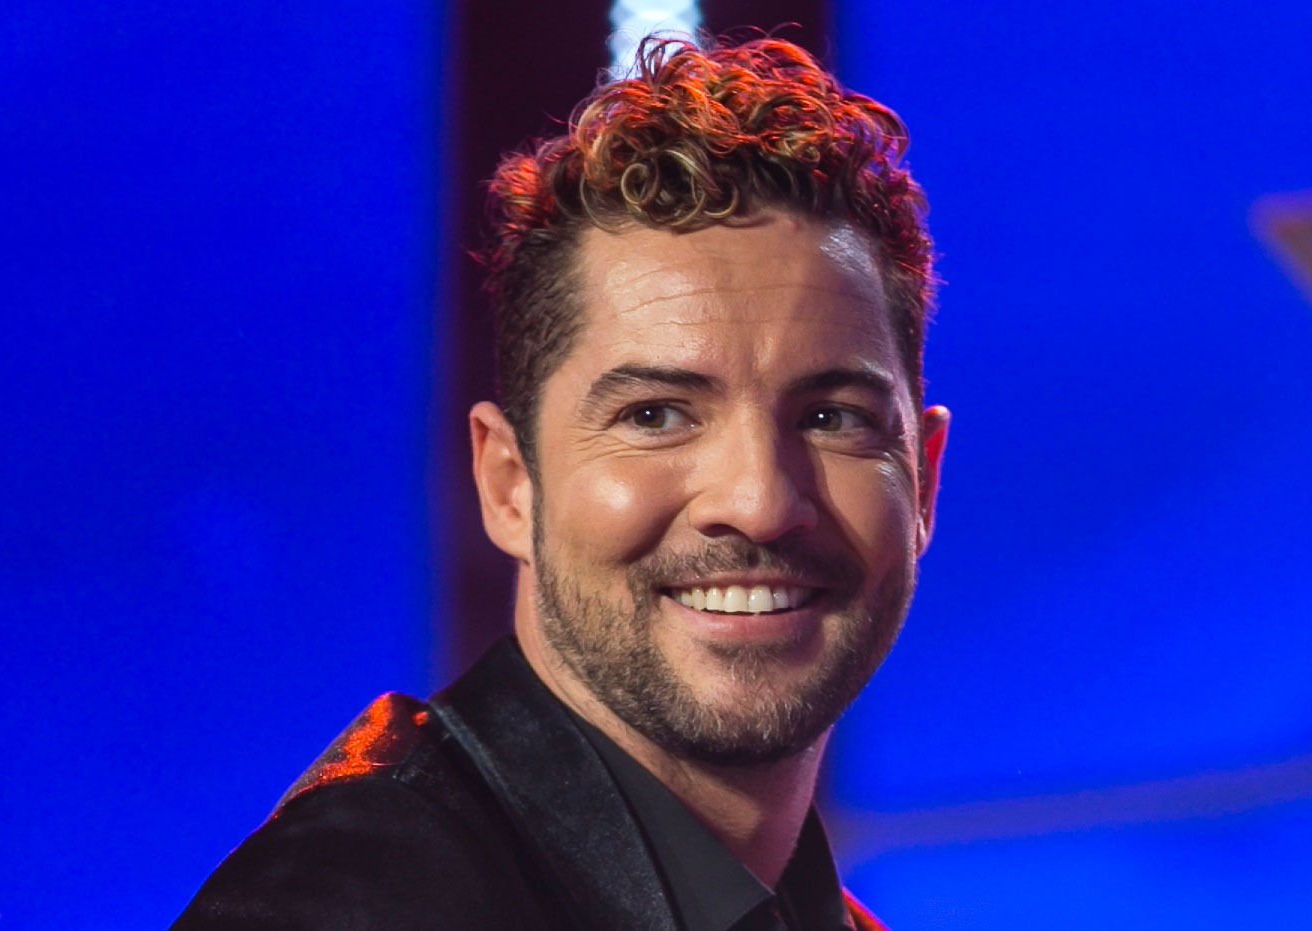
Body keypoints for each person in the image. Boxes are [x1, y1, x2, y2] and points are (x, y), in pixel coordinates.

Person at [173, 35, 948, 931]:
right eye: (655, 414)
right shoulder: (347, 906)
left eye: (831, 418)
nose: (759, 501)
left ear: (923, 481)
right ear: (508, 483)